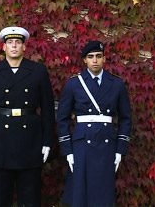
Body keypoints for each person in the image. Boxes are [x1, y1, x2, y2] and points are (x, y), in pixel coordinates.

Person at [0, 26, 55, 207]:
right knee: (0, 199)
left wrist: (47, 142)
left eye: (18, 42)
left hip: (30, 140)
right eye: (9, 42)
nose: (13, 46)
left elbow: (48, 111)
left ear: (24, 47)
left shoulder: (38, 71)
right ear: (3, 47)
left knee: (30, 199)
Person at [56, 40, 132, 207]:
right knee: (81, 193)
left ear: (104, 58)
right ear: (85, 60)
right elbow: (62, 118)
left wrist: (120, 150)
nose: (95, 60)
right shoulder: (74, 83)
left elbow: (126, 118)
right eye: (90, 57)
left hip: (106, 142)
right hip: (82, 143)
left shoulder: (116, 83)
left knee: (102, 194)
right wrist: (68, 150)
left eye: (99, 56)